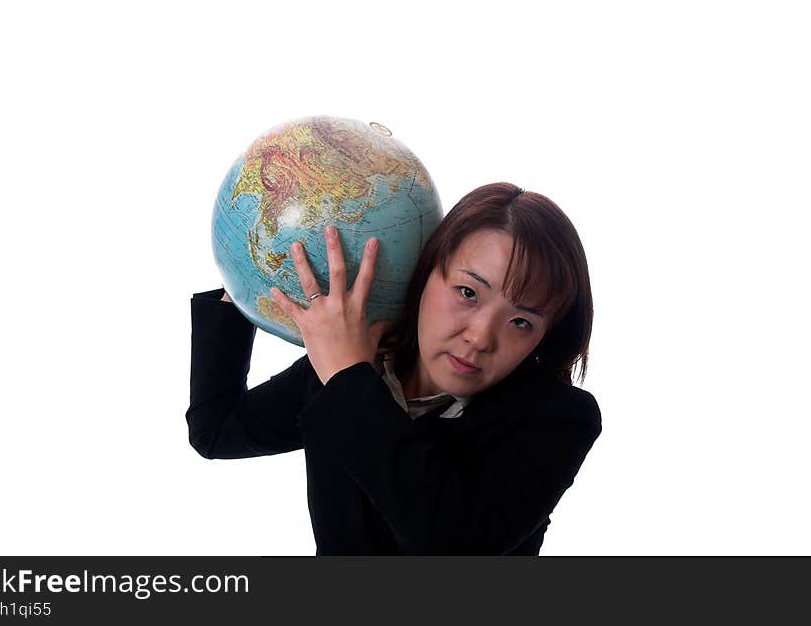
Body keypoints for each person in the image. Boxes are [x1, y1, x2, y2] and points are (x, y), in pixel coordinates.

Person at [186, 182, 601, 555]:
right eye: (468, 292)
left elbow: (453, 545)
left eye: (521, 322)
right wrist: (249, 275)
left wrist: (347, 377)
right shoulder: (359, 363)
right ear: (424, 273)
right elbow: (215, 430)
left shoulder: (558, 418)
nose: (480, 337)